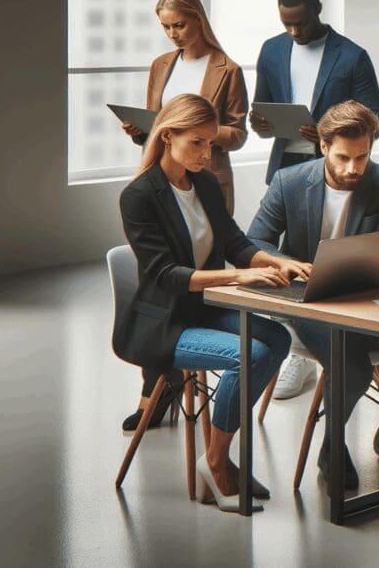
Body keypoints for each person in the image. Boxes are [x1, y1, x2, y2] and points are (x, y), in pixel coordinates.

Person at [114, 93, 299, 512]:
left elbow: (235, 242)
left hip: (205, 309)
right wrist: (239, 275)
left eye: (211, 144)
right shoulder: (139, 197)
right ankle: (216, 463)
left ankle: (217, 455)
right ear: (167, 136)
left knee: (279, 340)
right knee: (249, 354)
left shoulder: (205, 183)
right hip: (164, 324)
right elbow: (165, 276)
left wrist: (279, 261)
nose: (206, 153)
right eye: (196, 143)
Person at [247, 101, 379, 488]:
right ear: (323, 147)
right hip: (308, 298)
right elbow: (256, 240)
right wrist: (287, 264)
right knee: (353, 368)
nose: (354, 168)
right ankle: (333, 446)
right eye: (344, 157)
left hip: (366, 295)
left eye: (362, 157)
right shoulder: (290, 181)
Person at [118, 0, 249, 434]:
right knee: (163, 280)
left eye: (180, 24)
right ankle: (157, 390)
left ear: (198, 19)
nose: (173, 34)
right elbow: (159, 128)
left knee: (204, 257)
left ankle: (185, 385)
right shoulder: (161, 66)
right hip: (167, 173)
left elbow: (238, 131)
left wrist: (203, 136)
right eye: (166, 27)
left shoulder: (225, 68)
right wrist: (146, 129)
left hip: (204, 176)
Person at [249, 0, 379, 401]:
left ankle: (340, 340)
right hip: (285, 166)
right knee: (287, 260)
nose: (295, 32)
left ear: (318, 9)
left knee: (333, 251)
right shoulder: (271, 50)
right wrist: (261, 124)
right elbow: (260, 109)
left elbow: (371, 114)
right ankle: (299, 351)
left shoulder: (352, 55)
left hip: (333, 163)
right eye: (287, 24)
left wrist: (325, 129)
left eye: (302, 23)